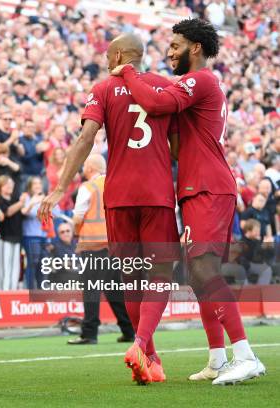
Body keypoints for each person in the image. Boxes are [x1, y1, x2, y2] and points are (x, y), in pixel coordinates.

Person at [111, 19, 265, 384]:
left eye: (176, 45)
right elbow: (177, 143)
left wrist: (130, 73)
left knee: (205, 270)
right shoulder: (196, 87)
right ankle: (217, 358)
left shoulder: (203, 79)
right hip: (197, 188)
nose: (169, 51)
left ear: (195, 48)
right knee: (198, 276)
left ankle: (245, 355)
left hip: (208, 187)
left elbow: (156, 102)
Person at [40, 33, 180, 384]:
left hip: (118, 194)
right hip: (156, 192)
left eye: (106, 55)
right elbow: (178, 146)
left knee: (131, 277)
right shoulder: (164, 87)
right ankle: (141, 344)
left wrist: (59, 188)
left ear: (118, 54)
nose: (105, 61)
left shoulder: (103, 89)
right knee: (160, 273)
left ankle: (151, 357)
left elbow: (86, 138)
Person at [63, 155, 134, 346]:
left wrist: (77, 233)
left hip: (93, 244)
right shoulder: (114, 184)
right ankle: (129, 329)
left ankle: (89, 333)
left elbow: (77, 218)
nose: (84, 167)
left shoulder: (88, 187)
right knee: (113, 289)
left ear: (91, 168)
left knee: (91, 289)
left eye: (85, 164)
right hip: (113, 244)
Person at [0, 176, 25, 290]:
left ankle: (13, 290)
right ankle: (3, 292)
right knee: (4, 268)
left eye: (11, 184)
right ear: (0, 186)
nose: (10, 187)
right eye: (7, 184)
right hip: (4, 237)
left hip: (17, 236)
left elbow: (24, 213)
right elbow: (7, 212)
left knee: (15, 267)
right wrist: (21, 203)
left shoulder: (15, 199)